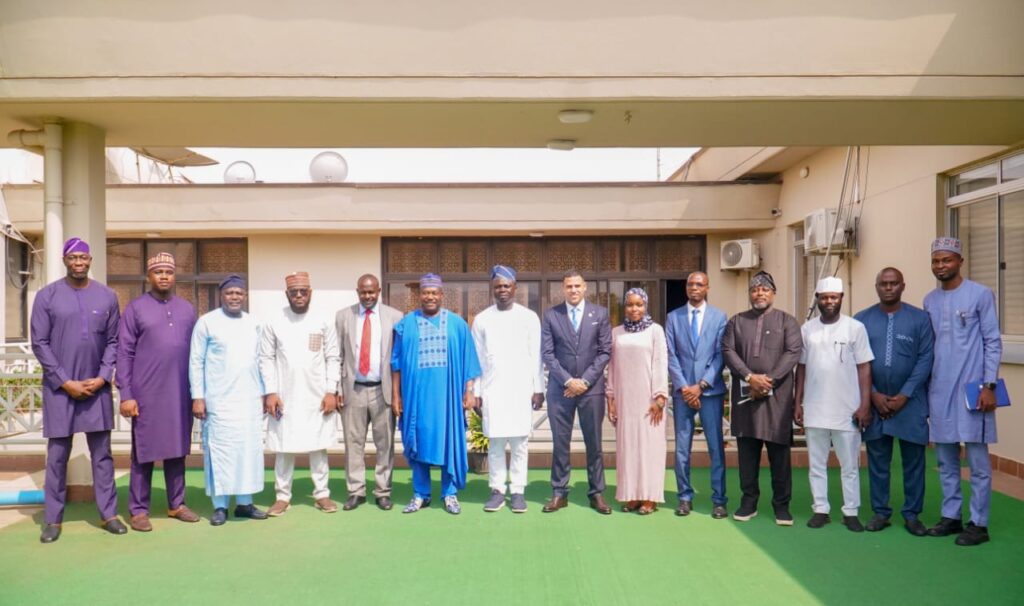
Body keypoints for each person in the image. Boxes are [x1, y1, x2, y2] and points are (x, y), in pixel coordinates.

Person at [31, 237, 126, 543]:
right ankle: (53, 519)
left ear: (90, 260)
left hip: (96, 389)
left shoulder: (107, 296)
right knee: (57, 456)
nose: (79, 262)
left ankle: (109, 514)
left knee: (102, 455)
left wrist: (103, 376)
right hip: (60, 390)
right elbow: (39, 343)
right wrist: (64, 381)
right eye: (73, 257)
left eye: (83, 257)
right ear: (65, 261)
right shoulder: (47, 296)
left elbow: (114, 341)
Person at [924, 237, 1003, 547]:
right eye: (936, 261)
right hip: (940, 389)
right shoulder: (930, 300)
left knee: (978, 463)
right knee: (946, 459)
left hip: (974, 390)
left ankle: (979, 523)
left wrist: (989, 385)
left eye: (946, 260)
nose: (941, 265)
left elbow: (992, 341)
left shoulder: (980, 294)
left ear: (960, 261)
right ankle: (951, 516)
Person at [117, 252, 201, 532]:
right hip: (146, 393)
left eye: (169, 271)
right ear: (148, 276)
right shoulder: (135, 309)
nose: (164, 276)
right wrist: (126, 393)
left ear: (175, 276)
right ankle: (139, 510)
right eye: (158, 271)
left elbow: (197, 353)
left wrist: (199, 393)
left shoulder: (186, 309)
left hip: (179, 392)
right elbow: (124, 352)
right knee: (144, 451)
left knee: (177, 449)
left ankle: (176, 504)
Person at [392, 273, 481, 515]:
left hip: (447, 398)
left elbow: (469, 361)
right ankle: (421, 494)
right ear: (419, 295)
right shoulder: (406, 324)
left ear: (441, 295)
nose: (429, 297)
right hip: (416, 397)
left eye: (434, 293)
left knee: (448, 441)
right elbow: (396, 364)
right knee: (418, 442)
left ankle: (449, 493)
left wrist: (469, 391)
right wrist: (396, 396)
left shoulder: (457, 324)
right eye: (425, 293)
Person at [854, 267, 934, 536]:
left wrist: (905, 394)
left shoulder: (920, 319)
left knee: (914, 461)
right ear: (877, 287)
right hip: (874, 402)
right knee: (878, 460)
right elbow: (856, 361)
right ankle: (881, 512)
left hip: (910, 402)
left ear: (903, 286)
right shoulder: (861, 320)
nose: (888, 288)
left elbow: (926, 358)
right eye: (883, 284)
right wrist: (873, 394)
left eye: (894, 283)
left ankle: (912, 515)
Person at [722, 271, 802, 526]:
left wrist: (767, 382)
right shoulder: (736, 321)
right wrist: (749, 377)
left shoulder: (787, 322)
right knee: (747, 455)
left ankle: (782, 505)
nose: (759, 293)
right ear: (750, 294)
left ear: (773, 293)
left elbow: (793, 352)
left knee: (780, 456)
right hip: (745, 399)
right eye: (755, 290)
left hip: (777, 401)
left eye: (764, 289)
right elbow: (728, 350)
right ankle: (749, 502)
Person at [794, 277, 874, 532]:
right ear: (817, 299)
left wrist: (864, 405)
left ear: (841, 298)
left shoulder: (855, 328)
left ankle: (851, 511)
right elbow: (801, 368)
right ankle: (821, 509)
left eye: (833, 297)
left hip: (847, 409)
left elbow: (864, 368)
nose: (829, 301)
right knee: (816, 464)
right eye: (824, 297)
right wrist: (798, 403)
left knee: (849, 466)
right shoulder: (807, 329)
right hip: (815, 407)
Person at [189, 274, 268, 526]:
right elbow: (196, 361)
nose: (235, 297)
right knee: (220, 453)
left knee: (247, 453)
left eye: (239, 293)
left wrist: (266, 392)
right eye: (230, 293)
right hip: (218, 401)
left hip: (248, 400)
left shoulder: (254, 323)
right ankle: (220, 506)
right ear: (222, 295)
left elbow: (263, 360)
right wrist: (198, 396)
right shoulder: (207, 322)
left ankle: (244, 503)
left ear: (245, 296)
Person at [260, 272, 341, 516]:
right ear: (287, 294)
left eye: (303, 291)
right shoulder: (274, 320)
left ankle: (322, 494)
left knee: (318, 446)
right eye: (294, 292)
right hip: (284, 395)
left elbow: (333, 356)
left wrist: (331, 391)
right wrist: (270, 392)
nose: (298, 295)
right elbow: (266, 358)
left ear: (310, 293)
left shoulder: (323, 320)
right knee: (284, 447)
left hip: (317, 395)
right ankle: (282, 496)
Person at [471, 265, 544, 513]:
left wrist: (538, 388)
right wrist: (477, 393)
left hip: (521, 389)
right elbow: (478, 360)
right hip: (492, 390)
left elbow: (536, 356)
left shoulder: (529, 317)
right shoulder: (482, 319)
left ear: (515, 288)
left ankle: (518, 491)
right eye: (498, 286)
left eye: (506, 286)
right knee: (496, 444)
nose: (502, 290)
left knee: (520, 443)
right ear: (492, 289)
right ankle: (497, 490)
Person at [541, 270, 613, 515]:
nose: (573, 290)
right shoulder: (552, 315)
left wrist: (584, 381)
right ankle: (559, 492)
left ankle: (597, 493)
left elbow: (605, 351)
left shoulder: (600, 314)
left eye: (577, 286)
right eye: (568, 286)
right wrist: (569, 381)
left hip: (591, 390)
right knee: (560, 443)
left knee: (594, 443)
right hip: (560, 390)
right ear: (563, 289)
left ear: (585, 288)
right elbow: (548, 354)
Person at [336, 273, 404, 511]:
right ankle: (356, 491)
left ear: (378, 292)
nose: (367, 296)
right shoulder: (343, 316)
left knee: (385, 443)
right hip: (353, 389)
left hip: (382, 390)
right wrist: (337, 388)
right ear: (357, 292)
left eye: (371, 292)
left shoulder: (395, 316)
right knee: (353, 443)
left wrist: (398, 394)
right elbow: (338, 355)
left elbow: (398, 358)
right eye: (363, 292)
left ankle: (383, 491)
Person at [666, 271, 729, 519]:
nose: (694, 287)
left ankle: (719, 500)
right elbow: (671, 354)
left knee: (716, 448)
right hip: (683, 394)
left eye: (699, 284)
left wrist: (701, 385)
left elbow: (721, 354)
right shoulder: (674, 317)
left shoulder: (719, 317)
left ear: (707, 288)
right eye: (691, 284)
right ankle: (684, 497)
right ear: (686, 287)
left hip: (710, 392)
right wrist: (685, 387)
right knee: (682, 449)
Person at [606, 288, 669, 515]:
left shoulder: (655, 331)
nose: (634, 309)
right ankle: (631, 495)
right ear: (625, 307)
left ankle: (650, 497)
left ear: (646, 306)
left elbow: (660, 363)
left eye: (639, 305)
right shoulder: (616, 332)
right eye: (630, 305)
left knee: (650, 448)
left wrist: (660, 398)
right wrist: (611, 398)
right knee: (628, 448)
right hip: (625, 399)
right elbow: (612, 368)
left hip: (649, 400)